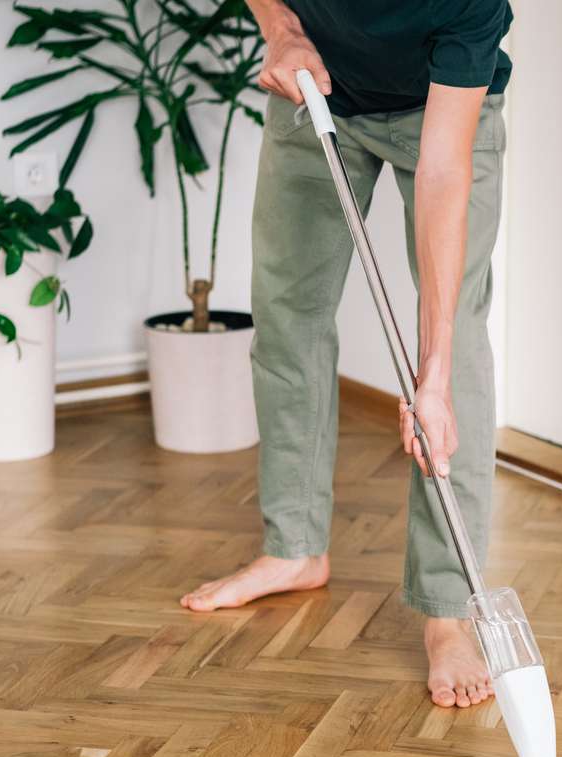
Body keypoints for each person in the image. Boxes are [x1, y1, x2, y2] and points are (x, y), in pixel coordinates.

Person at [180, 0, 513, 710]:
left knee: (457, 357)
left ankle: (449, 609)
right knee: (287, 313)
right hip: (317, 88)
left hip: (441, 113)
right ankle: (294, 546)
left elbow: (445, 171)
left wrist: (434, 374)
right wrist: (283, 31)